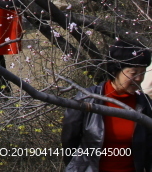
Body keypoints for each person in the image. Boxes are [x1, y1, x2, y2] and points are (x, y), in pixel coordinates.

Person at [61, 41, 152, 172]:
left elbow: (149, 149)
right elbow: (69, 140)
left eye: (142, 73)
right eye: (133, 73)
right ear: (116, 71)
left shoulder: (144, 104)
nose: (139, 79)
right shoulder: (88, 99)